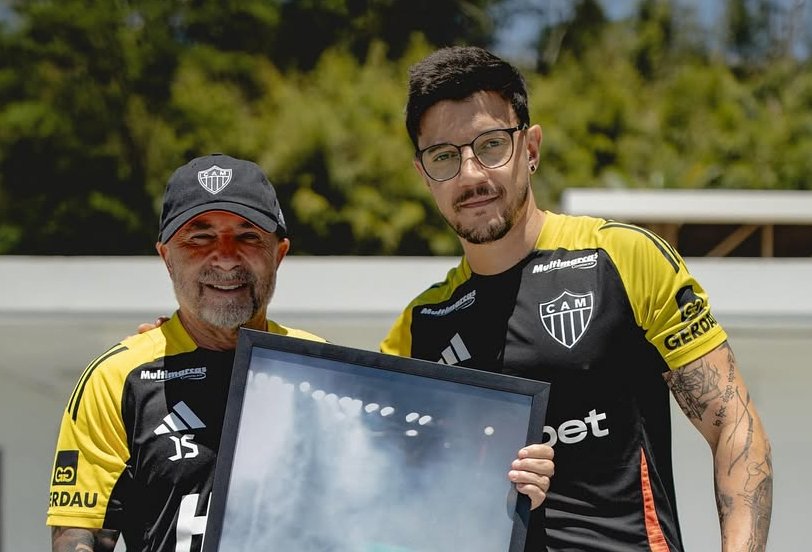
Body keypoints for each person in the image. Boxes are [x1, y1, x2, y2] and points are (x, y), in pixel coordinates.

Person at [47, 153, 553, 552]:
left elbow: (407, 491)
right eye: (199, 238)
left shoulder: (321, 367)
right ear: (165, 256)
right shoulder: (119, 377)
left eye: (248, 236)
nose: (225, 257)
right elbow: (80, 536)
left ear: (279, 254)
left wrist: (506, 476)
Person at [380, 46, 773, 551]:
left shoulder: (625, 258)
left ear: (532, 148)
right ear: (423, 174)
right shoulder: (419, 327)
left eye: (492, 145)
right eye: (444, 156)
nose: (472, 175)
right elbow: (405, 494)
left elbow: (735, 426)